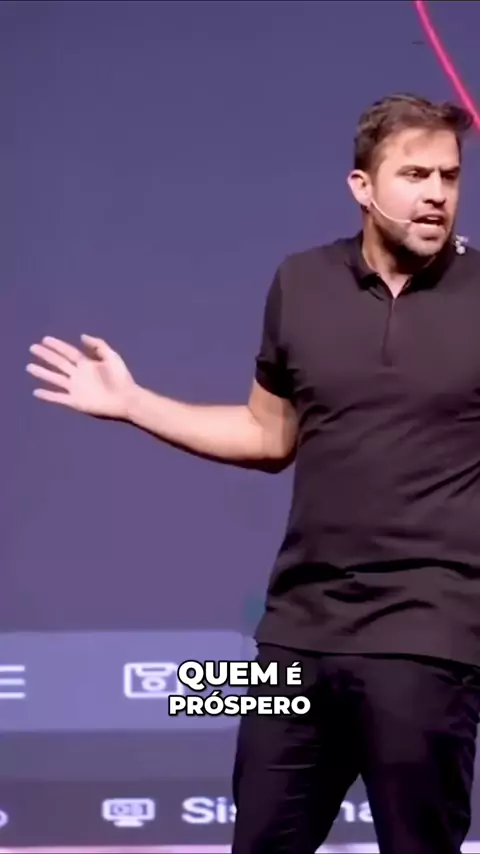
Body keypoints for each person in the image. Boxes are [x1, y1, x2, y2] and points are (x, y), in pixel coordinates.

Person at [26, 92, 480, 854]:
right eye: (415, 175)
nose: (437, 193)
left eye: (450, 176)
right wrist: (134, 404)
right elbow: (268, 436)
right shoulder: (301, 281)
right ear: (362, 186)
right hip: (294, 635)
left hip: (428, 634)